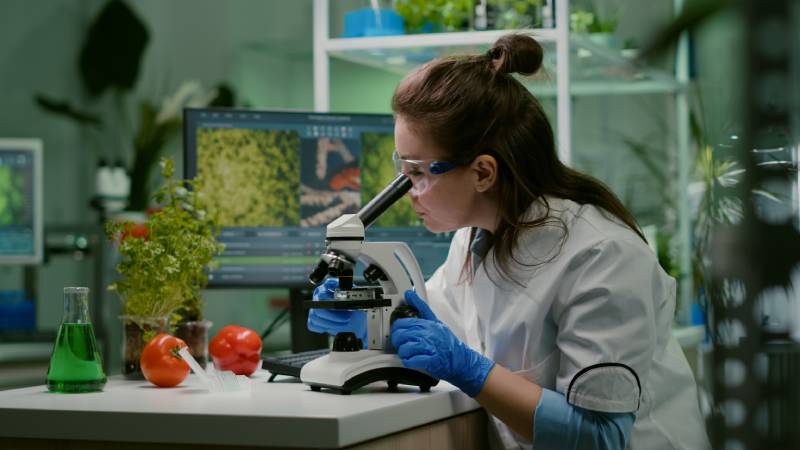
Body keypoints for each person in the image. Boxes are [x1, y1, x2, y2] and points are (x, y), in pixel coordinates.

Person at [308, 33, 710, 450]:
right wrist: (368, 319)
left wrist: (472, 371)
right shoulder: (475, 239)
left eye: (419, 172)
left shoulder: (601, 256)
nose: (407, 189)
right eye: (402, 168)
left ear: (483, 173)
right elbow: (430, 324)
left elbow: (600, 437)